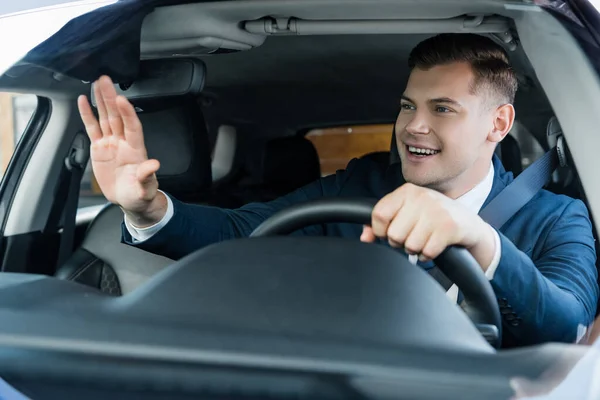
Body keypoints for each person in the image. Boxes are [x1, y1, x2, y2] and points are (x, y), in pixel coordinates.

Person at [77, 33, 599, 347]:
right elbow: (243, 230)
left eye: (442, 109)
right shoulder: (361, 183)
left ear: (498, 124)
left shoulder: (558, 217)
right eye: (407, 105)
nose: (413, 126)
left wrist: (481, 241)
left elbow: (569, 325)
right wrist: (148, 207)